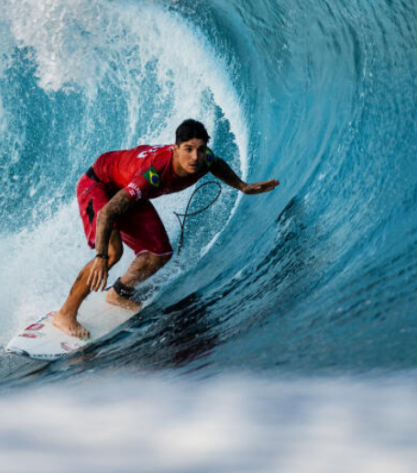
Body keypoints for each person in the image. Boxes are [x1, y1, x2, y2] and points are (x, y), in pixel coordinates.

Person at [53, 119, 280, 339]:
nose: (194, 157)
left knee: (159, 253)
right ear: (175, 148)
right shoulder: (153, 175)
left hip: (125, 188)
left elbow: (216, 164)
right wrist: (101, 256)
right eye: (188, 149)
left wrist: (243, 186)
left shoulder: (205, 159)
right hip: (99, 184)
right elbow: (107, 213)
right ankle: (65, 314)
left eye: (200, 150)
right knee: (113, 252)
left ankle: (118, 293)